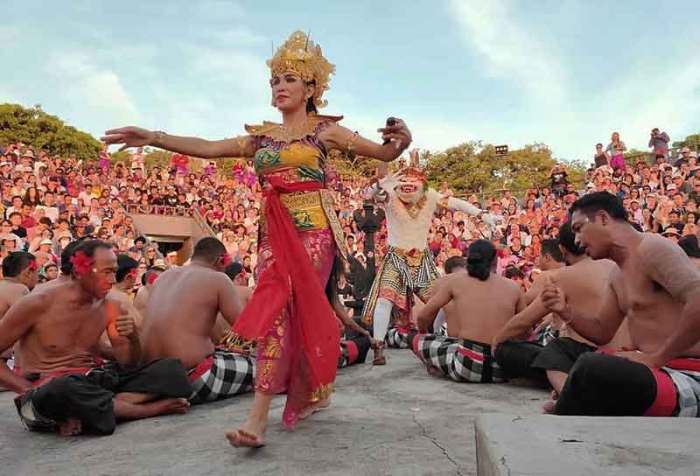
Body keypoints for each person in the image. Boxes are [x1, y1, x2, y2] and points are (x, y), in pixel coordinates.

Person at [103, 30, 412, 447]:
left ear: (310, 87)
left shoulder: (326, 131)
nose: (279, 87)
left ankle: (257, 418)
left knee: (281, 310)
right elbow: (209, 147)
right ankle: (304, 391)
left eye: (288, 79)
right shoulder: (261, 138)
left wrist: (400, 141)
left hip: (315, 233)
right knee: (280, 314)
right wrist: (154, 137)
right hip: (272, 235)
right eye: (274, 81)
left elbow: (384, 154)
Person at [0, 239, 192, 436]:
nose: (112, 279)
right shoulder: (37, 303)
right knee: (63, 388)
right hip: (50, 392)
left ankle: (102, 407)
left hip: (91, 381)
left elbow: (127, 362)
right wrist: (25, 389)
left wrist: (133, 338)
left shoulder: (110, 306)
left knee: (171, 369)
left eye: (114, 271)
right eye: (106, 272)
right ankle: (145, 409)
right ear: (79, 272)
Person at [542, 192, 700, 416]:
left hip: (688, 374)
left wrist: (656, 358)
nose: (576, 240)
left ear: (603, 218)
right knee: (588, 361)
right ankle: (577, 397)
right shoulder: (617, 274)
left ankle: (572, 401)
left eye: (579, 228)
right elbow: (601, 331)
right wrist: (564, 310)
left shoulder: (652, 248)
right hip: (658, 370)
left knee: (590, 368)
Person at [362, 151, 494, 365]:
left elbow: (456, 203)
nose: (407, 184)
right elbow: (372, 194)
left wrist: (482, 214)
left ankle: (439, 337)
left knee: (442, 302)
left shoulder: (430, 196)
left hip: (422, 260)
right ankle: (378, 346)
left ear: (421, 183)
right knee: (384, 300)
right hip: (396, 258)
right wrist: (383, 182)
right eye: (403, 180)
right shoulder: (391, 196)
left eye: (412, 180)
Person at [492, 222, 620, 399]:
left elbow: (525, 320)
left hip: (584, 357)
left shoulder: (562, 277)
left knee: (507, 350)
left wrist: (496, 342)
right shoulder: (615, 266)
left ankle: (568, 388)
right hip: (622, 356)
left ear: (561, 248)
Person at [141, 238, 254, 404]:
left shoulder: (165, 276)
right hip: (193, 376)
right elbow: (247, 329)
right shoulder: (218, 279)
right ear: (219, 260)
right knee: (266, 367)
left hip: (153, 374)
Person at [411, 240, 525, 383]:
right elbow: (525, 328)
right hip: (502, 367)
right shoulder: (513, 287)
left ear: (468, 260)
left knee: (416, 339)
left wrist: (424, 335)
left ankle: (438, 364)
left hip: (466, 364)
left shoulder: (455, 282)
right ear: (495, 261)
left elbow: (423, 316)